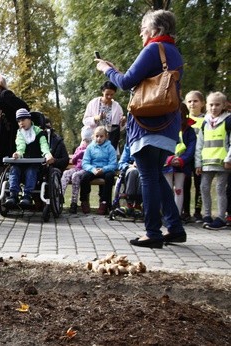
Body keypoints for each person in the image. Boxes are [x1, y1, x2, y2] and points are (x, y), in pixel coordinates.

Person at [96, 9, 186, 248]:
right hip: (167, 125)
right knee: (156, 175)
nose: (141, 33)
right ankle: (175, 228)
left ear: (156, 30)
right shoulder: (175, 53)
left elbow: (126, 83)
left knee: (147, 175)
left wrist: (107, 70)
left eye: (144, 29)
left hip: (148, 126)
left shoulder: (152, 49)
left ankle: (153, 232)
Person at [195, 92, 231, 230]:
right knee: (204, 188)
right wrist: (198, 163)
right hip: (206, 163)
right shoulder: (205, 123)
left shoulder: (228, 121)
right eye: (211, 104)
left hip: (223, 162)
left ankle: (221, 217)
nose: (214, 107)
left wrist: (229, 158)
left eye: (217, 104)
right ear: (207, 105)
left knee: (220, 189)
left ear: (224, 105)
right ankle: (207, 216)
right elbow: (200, 144)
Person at [4, 109, 54, 207]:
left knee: (31, 171)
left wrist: (47, 154)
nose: (21, 123)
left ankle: (27, 196)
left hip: (34, 164)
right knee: (14, 170)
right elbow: (21, 146)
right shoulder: (20, 133)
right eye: (18, 121)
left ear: (30, 120)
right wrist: (18, 153)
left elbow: (44, 145)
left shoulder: (39, 132)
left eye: (23, 120)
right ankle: (13, 195)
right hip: (21, 163)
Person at [0, 72, 29, 172]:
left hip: (7, 136)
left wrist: (15, 122)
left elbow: (24, 107)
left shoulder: (5, 94)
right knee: (0, 166)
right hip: (0, 137)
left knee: (4, 165)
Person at [163, 103, 196, 215]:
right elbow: (161, 145)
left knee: (179, 189)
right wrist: (168, 159)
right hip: (167, 165)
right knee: (166, 189)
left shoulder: (189, 131)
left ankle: (176, 214)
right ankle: (167, 213)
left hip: (182, 165)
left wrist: (182, 160)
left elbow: (191, 148)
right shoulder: (166, 129)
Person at [79, 126, 117, 215]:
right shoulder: (90, 147)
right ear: (93, 136)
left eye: (101, 136)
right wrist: (92, 169)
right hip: (93, 169)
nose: (99, 138)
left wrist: (104, 169)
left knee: (110, 176)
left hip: (105, 170)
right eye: (97, 136)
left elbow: (113, 164)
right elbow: (85, 163)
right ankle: (84, 201)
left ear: (106, 136)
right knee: (84, 177)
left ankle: (104, 202)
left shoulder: (110, 148)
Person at [82, 81, 125, 150]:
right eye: (107, 94)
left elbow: (119, 128)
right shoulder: (93, 103)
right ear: (102, 91)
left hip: (110, 140)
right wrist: (96, 118)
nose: (109, 97)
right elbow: (85, 121)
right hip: (94, 139)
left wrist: (123, 122)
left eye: (112, 94)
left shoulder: (117, 107)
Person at [183, 90, 205, 222]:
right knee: (185, 184)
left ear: (202, 103)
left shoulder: (206, 120)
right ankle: (185, 211)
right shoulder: (184, 121)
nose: (192, 104)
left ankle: (198, 212)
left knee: (200, 185)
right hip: (186, 158)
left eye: (195, 101)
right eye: (189, 101)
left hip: (200, 158)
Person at [61, 127, 92, 214]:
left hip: (85, 170)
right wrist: (80, 152)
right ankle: (60, 196)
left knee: (75, 176)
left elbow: (92, 161)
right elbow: (74, 161)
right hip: (76, 168)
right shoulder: (79, 148)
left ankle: (74, 202)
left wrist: (87, 152)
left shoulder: (93, 148)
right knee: (66, 173)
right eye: (84, 140)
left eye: (87, 140)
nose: (85, 142)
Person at [114, 144, 142, 218]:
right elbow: (121, 163)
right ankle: (130, 202)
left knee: (141, 173)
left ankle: (138, 203)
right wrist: (130, 165)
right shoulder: (128, 146)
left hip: (144, 168)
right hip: (130, 168)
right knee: (133, 171)